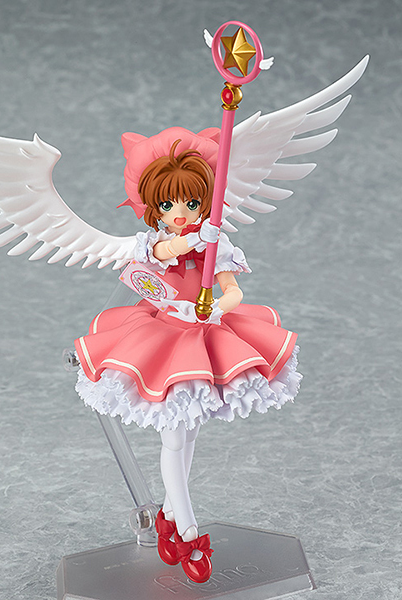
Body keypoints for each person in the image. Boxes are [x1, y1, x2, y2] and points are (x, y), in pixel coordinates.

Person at [74, 127, 301, 583]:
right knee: (175, 439)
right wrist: (194, 239)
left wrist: (217, 305)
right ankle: (189, 529)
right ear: (153, 206)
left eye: (192, 203)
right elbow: (164, 250)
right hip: (162, 338)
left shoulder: (219, 244)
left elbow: (233, 291)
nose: (180, 213)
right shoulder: (156, 243)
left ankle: (169, 517)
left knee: (188, 434)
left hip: (204, 337)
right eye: (167, 205)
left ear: (205, 202)